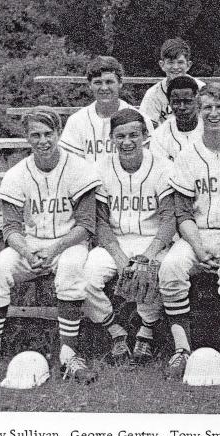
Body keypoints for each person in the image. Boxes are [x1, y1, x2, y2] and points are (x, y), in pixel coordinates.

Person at [0, 107, 101, 385]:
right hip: (28, 246)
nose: (43, 140)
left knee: (71, 270)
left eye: (48, 133)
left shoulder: (79, 168)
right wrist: (28, 252)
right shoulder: (17, 173)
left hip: (69, 243)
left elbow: (86, 225)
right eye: (35, 135)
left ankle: (69, 356)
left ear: (59, 133)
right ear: (27, 138)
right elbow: (10, 228)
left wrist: (53, 250)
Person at [158, 84, 220, 380]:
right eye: (207, 108)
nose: (214, 114)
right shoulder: (188, 155)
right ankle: (181, 349)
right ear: (200, 112)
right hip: (197, 234)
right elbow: (182, 211)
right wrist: (199, 248)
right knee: (171, 266)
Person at [84, 109, 176, 364]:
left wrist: (147, 256)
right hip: (115, 241)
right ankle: (116, 332)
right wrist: (119, 257)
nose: (127, 142)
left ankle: (146, 333)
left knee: (157, 270)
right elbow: (99, 220)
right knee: (86, 278)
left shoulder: (163, 167)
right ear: (111, 138)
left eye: (134, 135)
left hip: (153, 239)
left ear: (146, 136)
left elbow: (169, 219)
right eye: (120, 136)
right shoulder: (100, 167)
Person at [59, 57, 153, 163]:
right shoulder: (77, 120)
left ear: (120, 83)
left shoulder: (140, 119)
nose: (104, 88)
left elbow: (147, 162)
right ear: (90, 85)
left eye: (109, 82)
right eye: (98, 82)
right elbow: (71, 163)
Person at [139, 38, 205, 127]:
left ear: (188, 65)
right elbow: (147, 126)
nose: (175, 67)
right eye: (170, 62)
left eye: (180, 62)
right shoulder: (153, 94)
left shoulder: (201, 89)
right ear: (162, 65)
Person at [150, 75, 203, 161]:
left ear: (197, 101)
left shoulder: (210, 130)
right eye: (176, 102)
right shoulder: (159, 136)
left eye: (188, 101)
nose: (182, 107)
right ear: (169, 103)